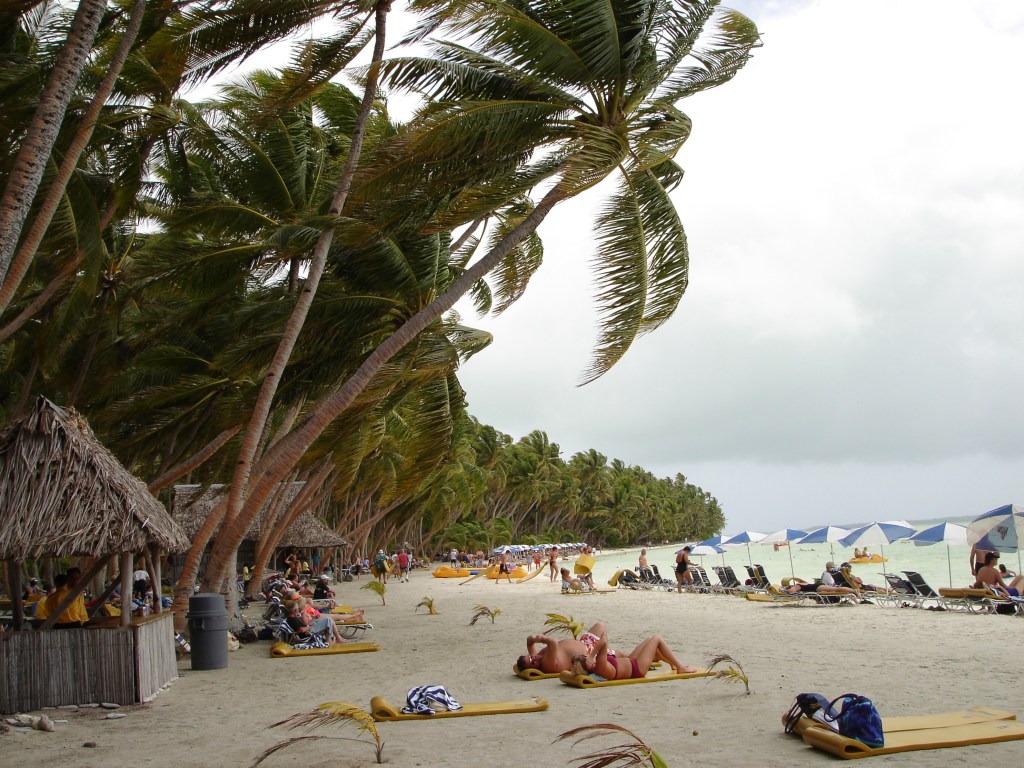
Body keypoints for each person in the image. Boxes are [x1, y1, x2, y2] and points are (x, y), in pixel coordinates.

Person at [572, 632, 697, 680]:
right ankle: (680, 667)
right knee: (656, 638)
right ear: (588, 663)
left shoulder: (597, 668)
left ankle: (673, 664)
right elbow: (603, 639)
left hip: (631, 661)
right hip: (637, 668)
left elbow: (603, 638)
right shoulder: (600, 665)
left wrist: (591, 657)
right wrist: (592, 655)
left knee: (649, 640)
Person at [517, 622, 608, 674]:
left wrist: (534, 639)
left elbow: (529, 641)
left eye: (530, 657)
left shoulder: (536, 658)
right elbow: (553, 643)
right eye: (532, 663)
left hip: (584, 643)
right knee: (603, 636)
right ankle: (604, 651)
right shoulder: (547, 665)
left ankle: (604, 648)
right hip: (590, 654)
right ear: (534, 669)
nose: (534, 659)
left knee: (600, 625)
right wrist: (542, 639)